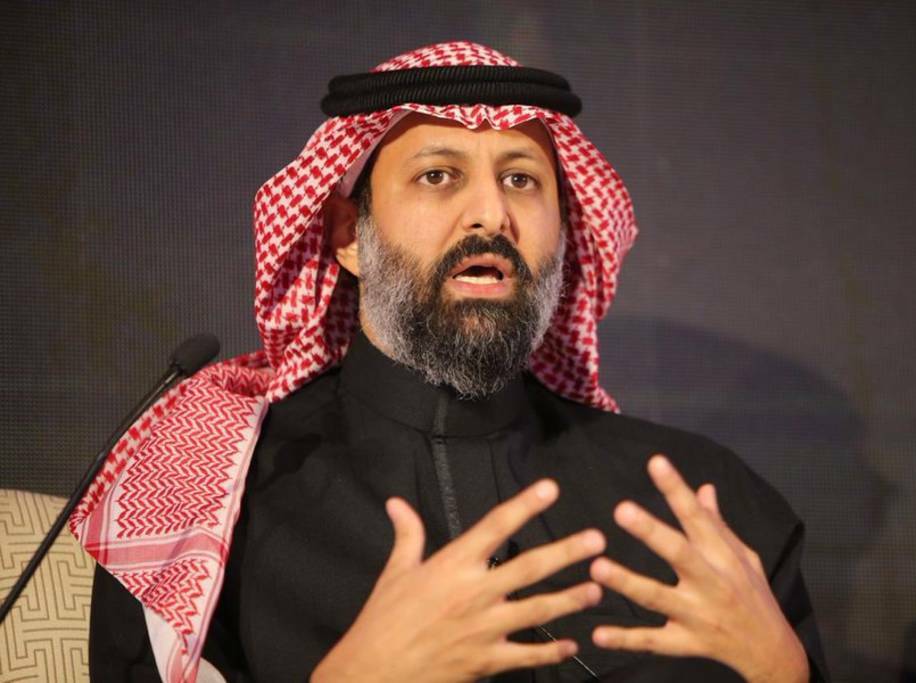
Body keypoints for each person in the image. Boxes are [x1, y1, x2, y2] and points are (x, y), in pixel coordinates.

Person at [80, 42, 828, 682]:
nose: (490, 214)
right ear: (347, 235)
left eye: (521, 179)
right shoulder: (205, 506)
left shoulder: (704, 508)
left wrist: (782, 673)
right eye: (438, 174)